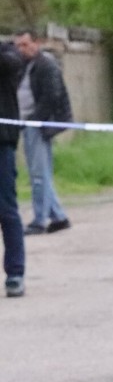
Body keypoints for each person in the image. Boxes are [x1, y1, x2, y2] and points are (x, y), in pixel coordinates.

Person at [13, 29, 73, 236]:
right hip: (29, 124)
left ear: (36, 43)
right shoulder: (25, 65)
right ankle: (58, 216)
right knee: (40, 172)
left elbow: (52, 96)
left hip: (40, 125)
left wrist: (34, 120)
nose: (21, 49)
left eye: (25, 44)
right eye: (18, 45)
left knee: (38, 174)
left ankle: (39, 220)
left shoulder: (46, 65)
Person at [0, 40, 25, 297]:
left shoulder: (7, 52)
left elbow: (12, 63)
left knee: (7, 211)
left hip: (2, 146)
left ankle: (15, 273)